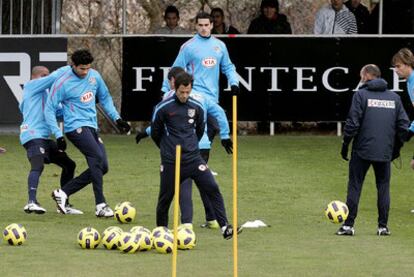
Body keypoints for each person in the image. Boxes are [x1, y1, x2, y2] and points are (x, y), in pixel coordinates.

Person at [137, 67, 232, 229]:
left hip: (193, 158)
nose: (184, 95)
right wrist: (166, 149)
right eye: (182, 92)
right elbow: (156, 131)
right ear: (175, 88)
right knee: (166, 198)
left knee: (212, 187)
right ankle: (162, 231)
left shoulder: (196, 106)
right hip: (171, 161)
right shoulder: (163, 107)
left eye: (188, 92)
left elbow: (200, 128)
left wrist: (193, 145)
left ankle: (224, 226)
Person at [45, 49, 131, 217]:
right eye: (81, 69)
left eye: (87, 68)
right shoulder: (62, 83)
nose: (85, 72)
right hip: (75, 128)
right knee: (97, 159)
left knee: (103, 166)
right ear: (73, 65)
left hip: (91, 127)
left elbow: (105, 98)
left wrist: (117, 118)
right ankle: (100, 205)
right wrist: (58, 134)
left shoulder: (94, 76)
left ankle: (63, 193)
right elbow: (49, 109)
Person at [338, 64, 409, 236]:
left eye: (361, 75)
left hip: (361, 150)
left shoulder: (360, 95)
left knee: (355, 186)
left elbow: (352, 124)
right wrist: (396, 148)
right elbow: (404, 126)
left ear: (368, 75)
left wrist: (345, 145)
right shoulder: (394, 98)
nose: (360, 78)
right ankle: (383, 227)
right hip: (384, 151)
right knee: (383, 187)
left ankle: (348, 226)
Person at [161, 11, 239, 155]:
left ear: (211, 25)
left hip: (212, 97)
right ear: (196, 26)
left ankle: (196, 162)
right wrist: (165, 89)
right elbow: (175, 69)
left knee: (213, 127)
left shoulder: (220, 46)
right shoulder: (188, 47)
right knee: (206, 128)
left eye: (206, 25)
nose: (203, 28)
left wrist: (234, 82)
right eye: (200, 25)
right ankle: (198, 165)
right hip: (195, 95)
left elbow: (228, 67)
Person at [19, 65, 82, 214]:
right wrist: (72, 66)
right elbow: (54, 78)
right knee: (38, 165)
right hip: (33, 135)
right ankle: (31, 202)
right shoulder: (30, 86)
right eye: (44, 75)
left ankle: (63, 204)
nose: (47, 77)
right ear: (35, 77)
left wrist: (80, 103)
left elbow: (60, 112)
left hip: (45, 138)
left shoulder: (47, 94)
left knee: (69, 165)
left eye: (47, 75)